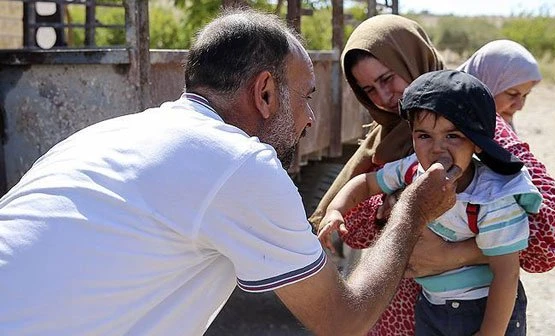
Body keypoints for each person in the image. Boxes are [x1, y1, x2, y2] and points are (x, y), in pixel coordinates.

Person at [0, 10, 462, 336]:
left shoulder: (107, 134)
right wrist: (412, 212)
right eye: (305, 98)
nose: (310, 119)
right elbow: (344, 320)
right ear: (264, 93)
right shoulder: (239, 163)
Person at [310, 15, 555, 336]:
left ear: (412, 59)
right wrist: (400, 206)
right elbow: (354, 228)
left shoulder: (471, 125)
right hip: (403, 315)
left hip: (468, 315)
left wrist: (453, 253)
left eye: (388, 79)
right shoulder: (388, 138)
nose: (383, 97)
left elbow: (553, 236)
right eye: (368, 89)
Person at [319, 70, 542, 336]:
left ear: (478, 143)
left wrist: (489, 333)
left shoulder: (492, 197)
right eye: (424, 136)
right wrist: (336, 210)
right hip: (431, 306)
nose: (437, 148)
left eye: (453, 136)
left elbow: (506, 275)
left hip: (484, 310)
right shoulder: (412, 170)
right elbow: (367, 182)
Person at [457, 39, 542, 131]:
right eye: (512, 93)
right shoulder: (447, 125)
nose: (519, 106)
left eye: (525, 95)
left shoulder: (500, 130)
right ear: (485, 84)